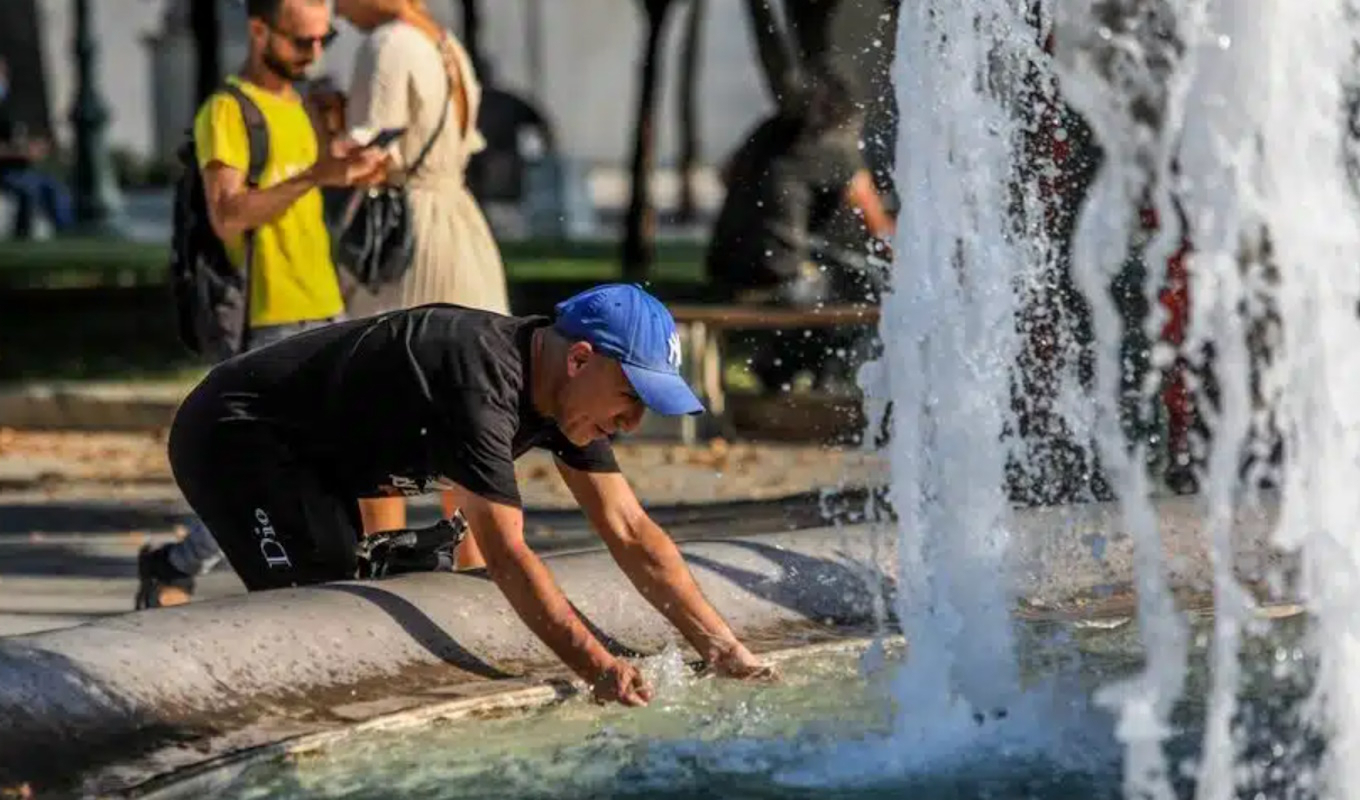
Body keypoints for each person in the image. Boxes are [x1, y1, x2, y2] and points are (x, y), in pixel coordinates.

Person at [140, 284, 775, 705]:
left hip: (316, 457)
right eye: (632, 398)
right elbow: (507, 556)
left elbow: (630, 530)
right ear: (580, 359)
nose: (633, 424)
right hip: (236, 435)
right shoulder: (478, 383)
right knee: (312, 612)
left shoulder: (564, 398)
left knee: (348, 599)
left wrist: (724, 649)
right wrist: (599, 669)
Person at [136, 0, 386, 607]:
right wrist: (313, 176)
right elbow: (227, 214)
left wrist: (350, 170)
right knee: (255, 473)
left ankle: (332, 578)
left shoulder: (299, 106)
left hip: (325, 306)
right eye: (302, 41)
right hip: (267, 319)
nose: (315, 53)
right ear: (258, 31)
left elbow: (308, 195)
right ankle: (176, 563)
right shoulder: (228, 110)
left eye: (323, 40)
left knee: (340, 459)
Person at [333, 0, 512, 546]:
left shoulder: (386, 44)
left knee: (376, 404)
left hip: (405, 238)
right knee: (470, 409)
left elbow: (365, 154)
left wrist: (324, 123)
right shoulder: (446, 44)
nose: (336, 9)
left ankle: (379, 564)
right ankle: (478, 566)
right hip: (459, 225)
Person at [706, 69, 895, 394]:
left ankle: (780, 375)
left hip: (724, 266)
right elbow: (879, 227)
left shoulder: (768, 130)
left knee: (822, 275)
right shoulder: (833, 146)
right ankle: (823, 390)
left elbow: (725, 173)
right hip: (777, 275)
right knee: (861, 301)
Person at [0, 56, 73, 237]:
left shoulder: (8, 109)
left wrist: (34, 148)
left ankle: (66, 236)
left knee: (55, 189)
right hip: (5, 173)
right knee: (28, 191)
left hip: (20, 171)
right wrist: (20, 152)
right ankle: (21, 238)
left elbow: (19, 139)